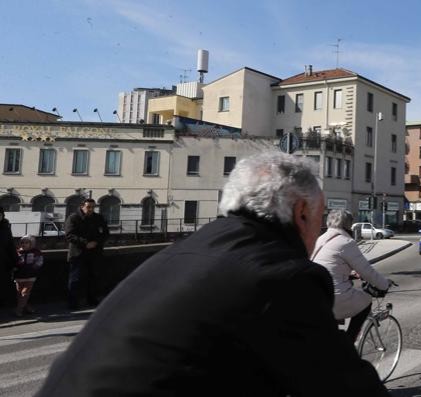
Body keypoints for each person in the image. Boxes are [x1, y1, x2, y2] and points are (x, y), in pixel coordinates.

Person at [38, 152, 389, 396]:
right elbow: (342, 386)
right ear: (301, 213)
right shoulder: (282, 276)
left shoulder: (183, 252)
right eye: (320, 214)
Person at [311, 209, 392, 341]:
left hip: (316, 295)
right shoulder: (346, 242)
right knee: (366, 301)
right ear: (349, 224)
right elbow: (367, 271)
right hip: (334, 296)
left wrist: (350, 274)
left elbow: (330, 265)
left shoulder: (319, 239)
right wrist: (384, 285)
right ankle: (349, 345)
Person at [64, 198, 109, 309]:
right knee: (76, 278)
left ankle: (92, 299)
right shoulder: (73, 218)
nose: (91, 209)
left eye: (93, 207)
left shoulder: (98, 218)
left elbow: (105, 233)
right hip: (78, 253)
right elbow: (69, 235)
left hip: (94, 252)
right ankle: (72, 303)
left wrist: (96, 242)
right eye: (88, 207)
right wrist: (85, 243)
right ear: (82, 206)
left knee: (93, 277)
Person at [12, 235, 43, 317]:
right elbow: (13, 262)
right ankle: (28, 308)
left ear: (31, 244)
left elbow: (40, 261)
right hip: (19, 276)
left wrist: (34, 267)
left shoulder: (35, 252)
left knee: (24, 293)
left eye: (26, 243)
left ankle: (18, 310)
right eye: (22, 242)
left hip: (30, 276)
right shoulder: (18, 252)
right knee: (19, 294)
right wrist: (14, 267)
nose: (24, 244)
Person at [0, 208, 16, 310]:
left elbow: (11, 245)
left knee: (2, 284)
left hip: (3, 261)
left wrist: (14, 261)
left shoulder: (5, 227)